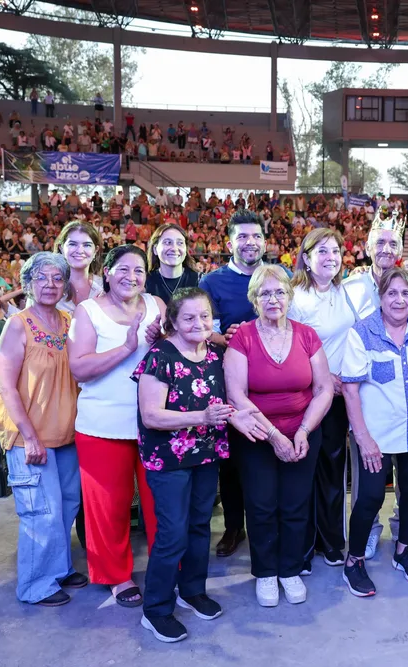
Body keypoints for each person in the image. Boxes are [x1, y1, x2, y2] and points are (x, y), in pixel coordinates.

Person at [134, 288, 266, 643]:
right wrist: (203, 417)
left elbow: (227, 402)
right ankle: (156, 609)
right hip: (169, 460)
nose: (199, 323)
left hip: (206, 454)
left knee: (199, 527)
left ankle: (191, 590)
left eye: (205, 316)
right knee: (172, 534)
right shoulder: (160, 355)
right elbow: (151, 416)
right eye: (189, 317)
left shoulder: (215, 354)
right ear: (173, 321)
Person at [224, 264, 333, 607]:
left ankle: (290, 570)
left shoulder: (306, 334)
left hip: (303, 433)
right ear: (254, 299)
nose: (273, 299)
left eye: (280, 292)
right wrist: (274, 435)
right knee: (261, 506)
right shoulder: (242, 337)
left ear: (290, 296)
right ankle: (266, 573)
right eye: (265, 293)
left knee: (295, 503)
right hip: (257, 435)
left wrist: (302, 430)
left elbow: (324, 388)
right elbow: (236, 395)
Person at [340, 267, 408, 597]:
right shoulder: (362, 333)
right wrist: (363, 439)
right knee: (370, 497)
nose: (399, 300)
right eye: (392, 293)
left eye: (406, 293)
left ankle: (402, 553)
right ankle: (353, 561)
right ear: (381, 297)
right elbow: (351, 390)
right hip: (377, 437)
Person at [68, 245, 163, 608]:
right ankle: (116, 575)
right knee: (108, 507)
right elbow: (80, 368)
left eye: (139, 270)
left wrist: (161, 341)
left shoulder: (156, 305)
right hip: (103, 425)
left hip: (155, 421)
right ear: (105, 272)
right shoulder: (88, 311)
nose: (131, 277)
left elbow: (175, 352)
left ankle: (167, 565)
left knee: (161, 502)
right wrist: (127, 347)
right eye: (123, 269)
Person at [0, 252, 85, 606]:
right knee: (39, 514)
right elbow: (6, 387)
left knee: (65, 507)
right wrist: (29, 436)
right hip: (29, 438)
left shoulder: (69, 321)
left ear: (65, 284)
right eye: (42, 278)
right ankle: (35, 585)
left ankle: (58, 569)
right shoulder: (17, 324)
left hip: (67, 436)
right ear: (28, 283)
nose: (50, 285)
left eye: (57, 278)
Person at [342, 208, 408, 559]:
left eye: (393, 242)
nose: (387, 248)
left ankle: (401, 529)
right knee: (369, 479)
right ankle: (369, 530)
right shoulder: (351, 286)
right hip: (366, 393)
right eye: (381, 242)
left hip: (405, 396)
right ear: (367, 246)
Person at [198, 210, 267, 558]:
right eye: (242, 236)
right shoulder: (213, 282)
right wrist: (223, 337)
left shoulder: (278, 276)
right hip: (229, 380)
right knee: (232, 462)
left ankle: (267, 526)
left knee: (268, 454)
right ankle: (233, 528)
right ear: (230, 243)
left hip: (273, 380)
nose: (250, 242)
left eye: (255, 236)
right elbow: (200, 328)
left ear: (265, 242)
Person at [289, 228, 357, 569]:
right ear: (306, 257)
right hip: (308, 393)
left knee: (333, 469)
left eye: (335, 251)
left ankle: (331, 541)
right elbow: (288, 347)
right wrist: (325, 377)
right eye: (322, 252)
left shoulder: (346, 292)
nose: (330, 258)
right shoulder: (295, 297)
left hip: (340, 397)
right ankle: (301, 547)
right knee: (304, 470)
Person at [54, 221, 105, 315]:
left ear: (95, 251)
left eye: (87, 245)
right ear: (61, 248)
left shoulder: (105, 288)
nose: (80, 251)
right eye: (73, 244)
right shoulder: (49, 286)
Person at [144, 223, 201, 302]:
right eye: (168, 242)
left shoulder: (199, 280)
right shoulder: (145, 282)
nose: (174, 248)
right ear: (155, 249)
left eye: (180, 243)